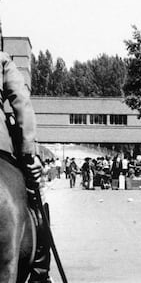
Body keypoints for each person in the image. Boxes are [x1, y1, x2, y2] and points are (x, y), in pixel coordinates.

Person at [0, 49, 51, 282]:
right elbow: (21, 101)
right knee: (34, 194)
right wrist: (30, 153)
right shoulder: (1, 58)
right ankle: (41, 272)